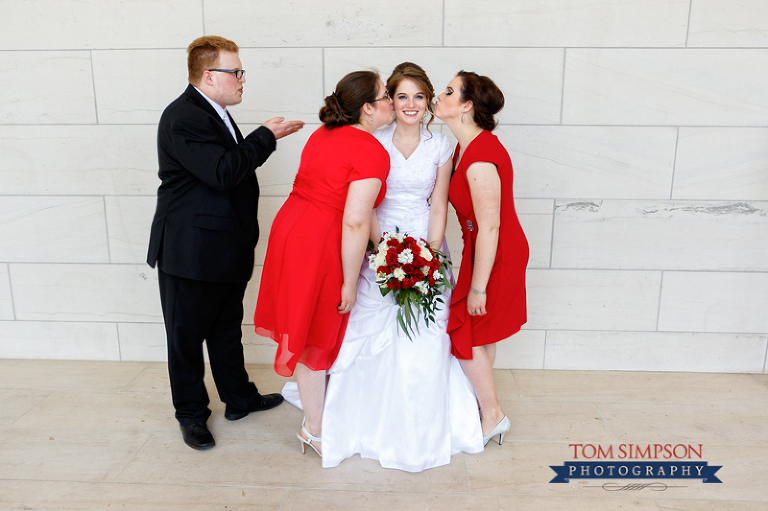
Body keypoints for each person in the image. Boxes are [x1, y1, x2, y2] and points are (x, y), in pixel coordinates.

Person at [319, 63, 483, 472]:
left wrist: (428, 254)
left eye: (419, 96)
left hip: (425, 240)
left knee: (429, 332)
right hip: (380, 239)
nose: (410, 104)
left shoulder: (441, 146)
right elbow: (367, 203)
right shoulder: (376, 141)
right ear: (389, 101)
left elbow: (439, 202)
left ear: (429, 102)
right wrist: (381, 250)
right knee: (371, 325)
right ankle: (363, 422)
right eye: (401, 96)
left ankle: (426, 422)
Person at [146, 35, 304, 451]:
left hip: (224, 250)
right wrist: (265, 136)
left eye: (240, 71)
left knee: (226, 330)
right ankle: (192, 415)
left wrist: (260, 138)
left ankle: (239, 398)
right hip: (190, 252)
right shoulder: (184, 116)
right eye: (235, 72)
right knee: (185, 339)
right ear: (208, 75)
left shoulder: (213, 112)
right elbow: (222, 172)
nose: (241, 79)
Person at [254, 70, 393, 457]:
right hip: (319, 243)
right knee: (317, 334)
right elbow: (354, 220)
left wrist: (385, 248)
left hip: (291, 229)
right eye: (385, 96)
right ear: (367, 109)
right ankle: (314, 429)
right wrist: (350, 280)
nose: (391, 102)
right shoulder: (371, 150)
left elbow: (362, 211)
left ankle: (315, 420)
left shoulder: (322, 134)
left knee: (305, 327)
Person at [434, 71, 529, 446]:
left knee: (467, 331)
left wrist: (478, 287)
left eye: (449, 91)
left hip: (496, 253)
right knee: (480, 331)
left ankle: (492, 414)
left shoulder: (480, 159)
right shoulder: (466, 147)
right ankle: (483, 407)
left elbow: (490, 228)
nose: (439, 96)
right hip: (483, 249)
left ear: (467, 106)